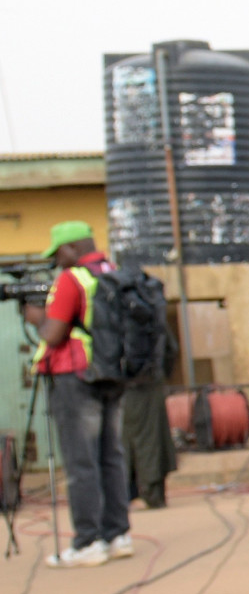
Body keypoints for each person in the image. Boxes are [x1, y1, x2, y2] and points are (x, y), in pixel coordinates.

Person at [34, 222, 133, 569]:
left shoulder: (72, 280)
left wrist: (34, 316)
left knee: (81, 461)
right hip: (112, 374)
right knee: (111, 455)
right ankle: (118, 534)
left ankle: (88, 540)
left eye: (58, 253)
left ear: (72, 248)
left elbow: (54, 333)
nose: (57, 262)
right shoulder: (115, 272)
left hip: (76, 378)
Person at [121, 280, 178, 510]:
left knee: (124, 441)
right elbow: (171, 350)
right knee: (153, 440)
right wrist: (161, 374)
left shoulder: (115, 313)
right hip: (151, 383)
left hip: (123, 387)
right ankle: (154, 494)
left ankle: (125, 495)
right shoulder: (154, 317)